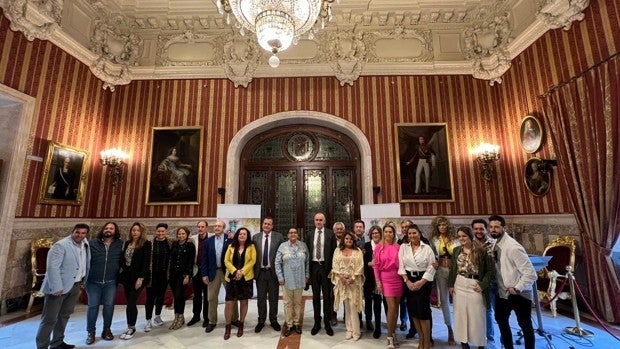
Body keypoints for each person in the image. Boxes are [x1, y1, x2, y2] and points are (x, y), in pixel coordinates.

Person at [35, 223, 90, 349]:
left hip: (74, 286)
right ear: (72, 231)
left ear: (86, 234)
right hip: (58, 288)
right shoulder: (61, 245)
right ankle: (42, 346)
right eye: (77, 232)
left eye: (83, 233)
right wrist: (56, 287)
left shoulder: (85, 244)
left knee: (64, 315)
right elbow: (52, 267)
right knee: (49, 319)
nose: (80, 235)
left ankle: (57, 342)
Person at [488, 215, 537, 349]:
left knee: (525, 325)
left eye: (497, 227)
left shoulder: (513, 247)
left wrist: (517, 288)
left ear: (504, 228)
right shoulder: (495, 243)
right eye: (491, 227)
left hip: (518, 293)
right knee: (501, 321)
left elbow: (531, 273)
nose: (493, 230)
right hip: (502, 292)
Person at [448, 226, 495, 349]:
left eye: (464, 236)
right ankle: (464, 342)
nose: (461, 238)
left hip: (475, 284)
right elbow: (453, 269)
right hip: (460, 284)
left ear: (470, 236)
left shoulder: (481, 251)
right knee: (460, 314)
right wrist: (451, 285)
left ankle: (480, 343)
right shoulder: (457, 250)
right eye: (459, 236)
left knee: (477, 316)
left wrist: (483, 284)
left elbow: (490, 271)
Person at [398, 224, 436, 349]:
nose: (412, 236)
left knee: (423, 312)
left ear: (419, 233)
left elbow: (432, 266)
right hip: (409, 280)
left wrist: (421, 282)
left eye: (414, 233)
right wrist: (407, 281)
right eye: (409, 234)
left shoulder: (427, 248)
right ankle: (421, 338)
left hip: (424, 281)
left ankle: (427, 341)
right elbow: (401, 265)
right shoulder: (404, 247)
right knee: (413, 311)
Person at [85, 222, 123, 345]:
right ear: (102, 230)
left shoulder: (120, 244)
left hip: (111, 282)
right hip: (93, 282)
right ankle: (91, 332)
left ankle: (106, 330)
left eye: (111, 228)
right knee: (92, 307)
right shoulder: (91, 244)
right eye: (106, 228)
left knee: (109, 307)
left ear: (115, 231)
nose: (108, 230)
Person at [201, 220, 239, 333]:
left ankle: (234, 319)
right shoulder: (208, 241)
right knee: (211, 298)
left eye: (219, 226)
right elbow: (204, 259)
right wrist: (204, 274)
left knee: (232, 296)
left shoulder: (231, 240)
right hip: (213, 272)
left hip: (228, 272)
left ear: (224, 228)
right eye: (215, 226)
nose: (216, 228)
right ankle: (212, 321)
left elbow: (237, 256)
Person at [119, 222, 152, 340]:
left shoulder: (146, 244)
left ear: (141, 232)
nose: (135, 232)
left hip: (139, 278)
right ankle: (130, 325)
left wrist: (141, 278)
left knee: (131, 303)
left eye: (137, 230)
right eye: (133, 230)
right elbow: (123, 259)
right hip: (127, 277)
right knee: (130, 303)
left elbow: (146, 262)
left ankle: (131, 328)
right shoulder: (127, 243)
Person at [429, 216, 459, 345]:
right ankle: (449, 329)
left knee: (458, 300)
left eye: (444, 225)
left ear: (448, 226)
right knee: (444, 300)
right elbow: (432, 255)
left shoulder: (456, 238)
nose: (442, 227)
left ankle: (461, 330)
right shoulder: (435, 239)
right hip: (441, 270)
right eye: (439, 225)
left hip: (455, 271)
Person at [306, 212, 337, 336]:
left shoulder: (330, 234)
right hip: (314, 267)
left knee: (327, 297)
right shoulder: (309, 234)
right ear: (314, 221)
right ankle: (317, 323)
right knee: (315, 297)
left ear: (324, 221)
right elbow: (307, 253)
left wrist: (332, 269)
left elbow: (335, 253)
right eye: (316, 220)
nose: (318, 222)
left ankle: (327, 323)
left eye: (320, 220)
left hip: (326, 268)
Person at [275, 227, 310, 337]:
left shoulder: (303, 245)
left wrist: (307, 275)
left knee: (298, 303)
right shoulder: (282, 246)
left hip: (300, 279)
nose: (293, 234)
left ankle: (296, 323)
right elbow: (277, 263)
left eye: (295, 232)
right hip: (287, 280)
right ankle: (289, 324)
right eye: (291, 232)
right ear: (288, 235)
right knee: (288, 303)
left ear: (298, 235)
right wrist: (280, 277)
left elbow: (308, 261)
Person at [223, 227, 256, 339]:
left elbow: (252, 260)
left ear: (247, 236)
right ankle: (228, 326)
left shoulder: (251, 247)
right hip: (232, 278)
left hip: (245, 278)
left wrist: (242, 272)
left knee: (244, 302)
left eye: (244, 234)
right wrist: (235, 271)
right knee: (229, 303)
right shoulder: (230, 247)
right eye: (240, 234)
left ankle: (241, 324)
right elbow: (226, 261)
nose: (242, 235)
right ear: (237, 235)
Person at [252, 216, 284, 333]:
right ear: (262, 225)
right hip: (260, 272)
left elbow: (282, 256)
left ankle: (273, 320)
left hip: (273, 273)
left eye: (269, 224)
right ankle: (261, 321)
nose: (266, 225)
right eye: (265, 223)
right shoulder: (255, 237)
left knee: (273, 298)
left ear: (272, 226)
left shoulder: (279, 237)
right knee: (261, 298)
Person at [374, 223, 402, 349]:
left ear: (393, 233)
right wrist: (378, 282)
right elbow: (375, 266)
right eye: (386, 232)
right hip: (385, 279)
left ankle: (394, 332)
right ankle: (389, 336)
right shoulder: (379, 247)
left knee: (396, 308)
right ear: (383, 233)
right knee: (390, 307)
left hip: (398, 278)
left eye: (390, 232)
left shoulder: (399, 247)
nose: (388, 234)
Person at [332, 231, 365, 341]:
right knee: (346, 307)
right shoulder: (338, 250)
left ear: (353, 240)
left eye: (350, 239)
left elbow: (361, 266)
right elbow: (335, 265)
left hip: (353, 283)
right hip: (342, 283)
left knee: (353, 306)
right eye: (346, 239)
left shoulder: (357, 251)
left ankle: (356, 331)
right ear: (343, 240)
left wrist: (353, 278)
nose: (348, 240)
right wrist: (341, 277)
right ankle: (349, 330)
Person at [471, 219, 497, 343]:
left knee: (496, 311)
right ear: (472, 230)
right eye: (476, 229)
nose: (478, 231)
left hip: (493, 281)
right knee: (483, 311)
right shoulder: (470, 244)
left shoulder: (493, 243)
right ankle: (484, 337)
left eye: (481, 229)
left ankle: (492, 338)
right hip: (477, 282)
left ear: (485, 229)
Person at [144, 223, 171, 331]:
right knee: (150, 298)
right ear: (156, 232)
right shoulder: (149, 243)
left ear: (166, 232)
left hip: (164, 275)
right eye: (159, 231)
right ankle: (148, 320)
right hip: (152, 275)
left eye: (163, 231)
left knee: (160, 296)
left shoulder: (170, 242)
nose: (160, 233)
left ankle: (157, 316)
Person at [168, 226, 196, 330]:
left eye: (183, 234)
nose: (181, 235)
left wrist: (188, 276)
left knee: (180, 296)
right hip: (173, 275)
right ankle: (177, 317)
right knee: (176, 296)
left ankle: (180, 316)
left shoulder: (190, 246)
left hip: (183, 275)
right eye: (179, 234)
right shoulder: (174, 244)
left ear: (187, 234)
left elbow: (190, 262)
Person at [188, 220, 209, 327]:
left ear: (206, 228)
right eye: (199, 227)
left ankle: (207, 318)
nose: (200, 229)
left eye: (202, 227)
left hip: (207, 272)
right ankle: (196, 316)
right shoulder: (193, 239)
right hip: (196, 270)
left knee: (207, 296)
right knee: (196, 295)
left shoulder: (212, 238)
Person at [364, 225, 383, 338]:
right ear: (370, 235)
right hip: (368, 278)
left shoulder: (383, 246)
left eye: (377, 233)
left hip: (379, 279)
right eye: (373, 233)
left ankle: (378, 326)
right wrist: (369, 263)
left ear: (380, 234)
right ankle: (368, 320)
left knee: (377, 302)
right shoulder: (366, 246)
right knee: (367, 301)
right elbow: (362, 262)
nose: (375, 235)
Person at [331, 221, 346, 325]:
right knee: (333, 295)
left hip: (346, 273)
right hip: (333, 272)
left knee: (346, 295)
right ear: (334, 230)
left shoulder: (347, 240)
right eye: (337, 229)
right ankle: (333, 316)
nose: (339, 230)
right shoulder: (330, 240)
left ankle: (346, 316)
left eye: (341, 229)